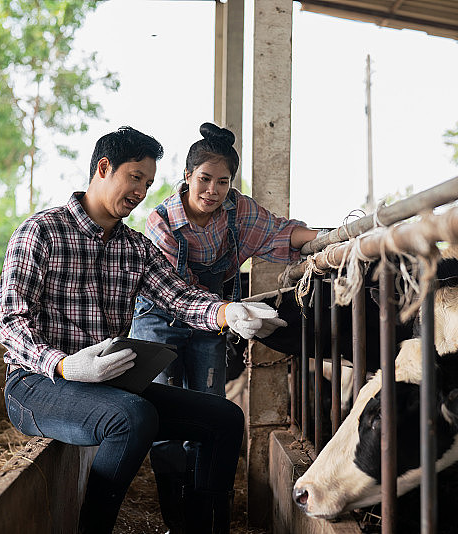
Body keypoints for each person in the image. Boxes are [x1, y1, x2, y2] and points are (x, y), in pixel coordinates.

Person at [0, 126, 285, 534]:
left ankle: (203, 529)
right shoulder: (41, 232)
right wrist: (63, 366)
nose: (141, 192)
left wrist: (227, 312)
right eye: (135, 177)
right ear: (103, 168)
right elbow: (10, 323)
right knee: (132, 417)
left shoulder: (135, 247)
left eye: (148, 183)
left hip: (106, 385)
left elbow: (180, 298)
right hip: (36, 384)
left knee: (224, 417)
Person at [131, 122, 319, 532]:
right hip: (160, 317)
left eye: (222, 181)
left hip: (211, 319)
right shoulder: (161, 222)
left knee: (211, 411)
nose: (212, 190)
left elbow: (284, 232)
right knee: (162, 412)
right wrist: (226, 310)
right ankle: (175, 521)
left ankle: (206, 521)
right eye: (203, 179)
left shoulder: (240, 212)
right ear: (187, 177)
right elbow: (173, 293)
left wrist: (330, 239)